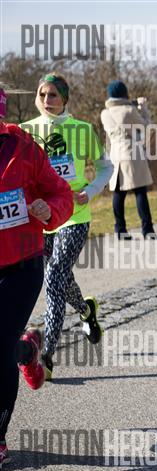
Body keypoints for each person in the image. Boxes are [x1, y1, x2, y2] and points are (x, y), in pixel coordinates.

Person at [21, 73, 112, 380]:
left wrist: (91, 190)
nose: (47, 100)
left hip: (74, 213)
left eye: (53, 95)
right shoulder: (25, 131)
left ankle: (46, 356)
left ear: (65, 99)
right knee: (61, 276)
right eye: (42, 94)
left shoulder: (82, 130)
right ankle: (86, 311)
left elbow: (106, 166)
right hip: (41, 216)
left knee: (54, 276)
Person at [0, 105, 74, 470]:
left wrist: (50, 210)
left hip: (21, 265)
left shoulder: (25, 149)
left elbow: (62, 194)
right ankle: (27, 350)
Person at [100, 80, 157, 239]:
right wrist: (143, 108)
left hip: (115, 154)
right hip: (131, 153)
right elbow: (146, 126)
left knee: (119, 194)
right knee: (140, 192)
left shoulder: (105, 113)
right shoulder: (129, 110)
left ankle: (120, 229)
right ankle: (147, 230)